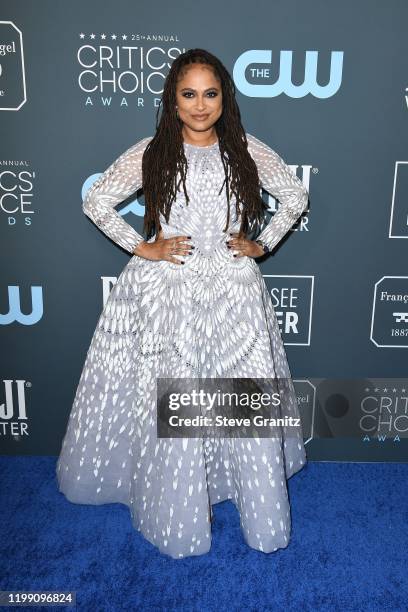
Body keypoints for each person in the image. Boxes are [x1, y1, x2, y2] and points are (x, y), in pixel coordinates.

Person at [56, 48, 309, 559]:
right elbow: (96, 200)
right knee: (176, 394)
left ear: (224, 98)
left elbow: (294, 196)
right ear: (173, 101)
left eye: (210, 94)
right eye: (188, 94)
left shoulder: (245, 149)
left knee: (236, 393)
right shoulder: (153, 152)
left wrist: (263, 242)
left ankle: (244, 494)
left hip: (233, 290)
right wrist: (143, 245)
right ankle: (176, 510)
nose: (200, 105)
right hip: (168, 292)